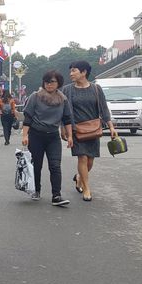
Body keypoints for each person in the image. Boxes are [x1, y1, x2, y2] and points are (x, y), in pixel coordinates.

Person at [61, 60, 117, 202]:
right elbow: (64, 111)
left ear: (84, 72)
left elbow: (104, 109)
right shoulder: (67, 90)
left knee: (90, 160)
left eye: (74, 70)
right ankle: (87, 189)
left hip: (93, 129)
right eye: (71, 70)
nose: (71, 73)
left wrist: (111, 127)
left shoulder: (96, 89)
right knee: (83, 157)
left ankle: (79, 177)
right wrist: (64, 128)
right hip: (76, 130)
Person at [22, 71, 73, 206]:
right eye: (47, 82)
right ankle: (36, 190)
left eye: (52, 82)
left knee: (55, 166)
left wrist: (70, 136)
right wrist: (25, 135)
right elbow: (28, 117)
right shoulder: (35, 96)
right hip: (36, 135)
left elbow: (67, 119)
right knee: (36, 165)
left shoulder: (63, 99)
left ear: (58, 83)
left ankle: (56, 195)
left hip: (53, 137)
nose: (49, 84)